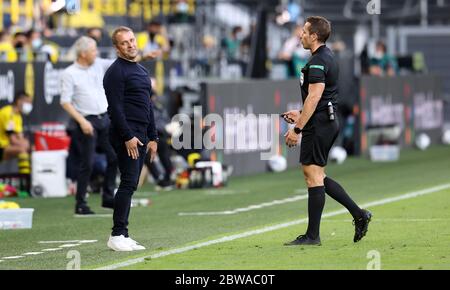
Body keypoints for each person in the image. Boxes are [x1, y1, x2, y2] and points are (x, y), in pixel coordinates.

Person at [282, 16, 372, 246]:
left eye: (304, 31)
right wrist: (300, 112)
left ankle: (313, 236)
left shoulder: (318, 61)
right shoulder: (325, 57)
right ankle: (359, 215)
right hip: (325, 120)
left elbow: (315, 97)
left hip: (319, 124)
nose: (300, 35)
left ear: (314, 36)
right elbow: (319, 99)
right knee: (317, 176)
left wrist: (298, 128)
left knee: (313, 177)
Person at [103, 26, 158, 251]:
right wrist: (128, 136)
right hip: (127, 134)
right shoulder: (115, 72)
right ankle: (117, 235)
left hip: (141, 133)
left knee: (131, 183)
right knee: (127, 183)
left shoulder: (141, 70)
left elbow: (148, 105)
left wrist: (153, 136)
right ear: (117, 48)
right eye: (125, 42)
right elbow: (115, 109)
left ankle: (123, 234)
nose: (131, 45)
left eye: (132, 40)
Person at [60, 36, 117, 215]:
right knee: (88, 163)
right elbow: (65, 102)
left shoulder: (98, 64)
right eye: (93, 50)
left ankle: (108, 197)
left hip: (104, 118)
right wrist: (82, 121)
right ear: (83, 54)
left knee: (114, 157)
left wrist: (143, 57)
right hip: (87, 121)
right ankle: (81, 202)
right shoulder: (69, 73)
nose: (97, 53)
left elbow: (117, 62)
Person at [0, 91, 32, 174]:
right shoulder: (7, 113)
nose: (29, 105)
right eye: (27, 102)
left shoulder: (18, 116)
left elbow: (19, 137)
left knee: (30, 150)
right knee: (22, 150)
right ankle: (25, 179)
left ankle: (30, 178)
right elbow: (13, 140)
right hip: (2, 147)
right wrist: (25, 144)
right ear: (19, 101)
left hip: (7, 147)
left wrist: (27, 144)